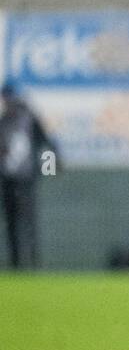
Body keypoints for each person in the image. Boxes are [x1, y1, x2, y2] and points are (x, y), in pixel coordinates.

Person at [0, 81, 57, 269]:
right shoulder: (4, 121)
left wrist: (50, 167)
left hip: (26, 179)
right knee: (11, 222)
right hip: (8, 180)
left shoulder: (30, 118)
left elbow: (47, 142)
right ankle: (16, 262)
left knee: (29, 221)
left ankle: (33, 260)